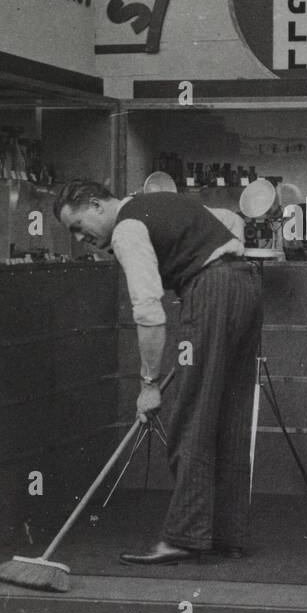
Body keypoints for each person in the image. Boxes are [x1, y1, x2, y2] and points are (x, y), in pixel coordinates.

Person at [54, 180, 263, 562]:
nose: (80, 238)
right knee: (228, 416)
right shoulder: (159, 201)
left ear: (98, 206)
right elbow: (231, 220)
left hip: (211, 291)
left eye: (78, 226)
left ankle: (185, 537)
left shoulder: (127, 229)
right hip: (245, 284)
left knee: (191, 416)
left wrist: (148, 385)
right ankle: (225, 535)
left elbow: (149, 313)